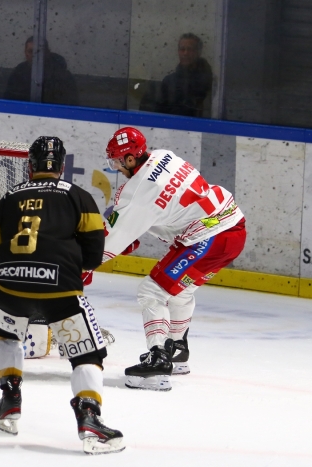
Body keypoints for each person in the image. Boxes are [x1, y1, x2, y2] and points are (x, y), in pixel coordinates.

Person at [0, 136, 124, 455]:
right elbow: (93, 256)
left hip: (8, 290)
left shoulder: (7, 198)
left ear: (30, 166)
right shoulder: (80, 197)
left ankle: (9, 401)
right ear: (62, 167)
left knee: (7, 337)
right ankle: (89, 418)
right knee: (86, 355)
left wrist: (15, 275)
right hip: (60, 290)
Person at [100, 127, 246, 391]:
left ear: (131, 159)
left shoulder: (138, 192)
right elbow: (167, 208)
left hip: (210, 237)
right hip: (232, 227)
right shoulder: (164, 156)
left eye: (118, 161)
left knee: (152, 291)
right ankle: (177, 349)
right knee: (180, 291)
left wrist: (85, 262)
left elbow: (112, 240)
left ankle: (158, 360)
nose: (117, 167)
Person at [150, 33, 213, 117]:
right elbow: (158, 113)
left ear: (198, 52)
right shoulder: (169, 81)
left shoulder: (209, 81)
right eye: (182, 49)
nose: (185, 53)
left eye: (190, 49)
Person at [3, 36, 78, 105]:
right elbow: (9, 103)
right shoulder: (17, 74)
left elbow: (71, 105)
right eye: (31, 51)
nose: (35, 55)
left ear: (47, 53)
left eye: (39, 51)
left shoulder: (63, 76)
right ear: (25, 53)